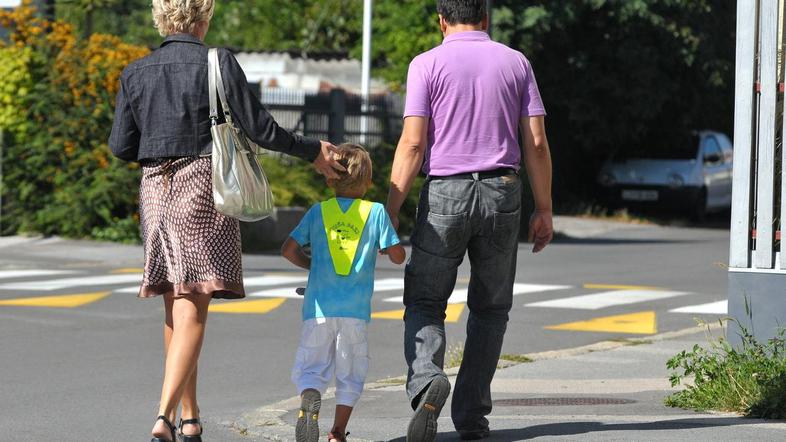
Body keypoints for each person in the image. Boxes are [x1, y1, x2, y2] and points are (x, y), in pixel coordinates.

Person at [108, 1, 344, 440]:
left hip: (155, 189)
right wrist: (313, 150)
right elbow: (260, 128)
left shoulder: (136, 71)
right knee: (194, 303)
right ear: (204, 18)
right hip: (203, 184)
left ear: (161, 18)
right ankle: (164, 416)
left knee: (174, 304)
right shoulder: (218, 62)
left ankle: (191, 417)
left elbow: (122, 145)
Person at [385, 0, 554, 440]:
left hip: (445, 191)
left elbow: (412, 144)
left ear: (442, 20)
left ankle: (427, 382)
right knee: (491, 308)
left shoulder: (426, 64)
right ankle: (472, 416)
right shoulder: (516, 63)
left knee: (425, 300)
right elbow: (535, 142)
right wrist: (545, 207)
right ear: (487, 17)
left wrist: (390, 209)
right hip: (502, 192)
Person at [281, 144, 406, 442]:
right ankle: (337, 432)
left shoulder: (318, 212)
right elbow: (399, 256)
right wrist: (388, 241)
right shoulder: (375, 212)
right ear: (368, 182)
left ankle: (310, 397)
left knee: (312, 366)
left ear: (330, 179)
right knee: (351, 372)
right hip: (355, 312)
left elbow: (288, 250)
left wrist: (312, 266)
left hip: (318, 310)